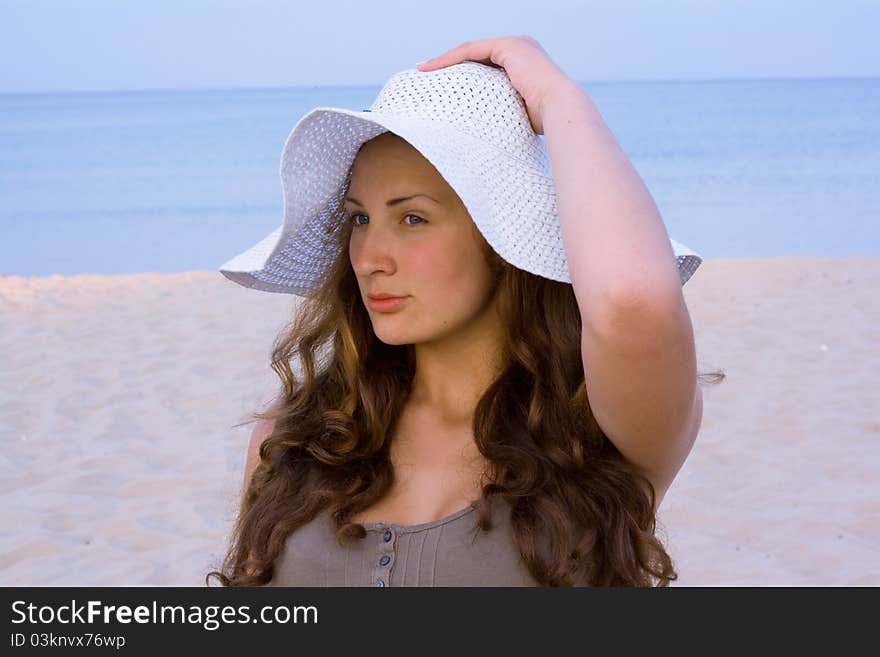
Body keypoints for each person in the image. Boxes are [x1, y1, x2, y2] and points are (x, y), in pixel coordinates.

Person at [206, 36, 721, 587]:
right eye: (360, 219)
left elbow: (631, 298)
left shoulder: (596, 429)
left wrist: (558, 99)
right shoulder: (297, 432)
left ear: (503, 240)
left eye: (412, 219)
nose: (369, 259)